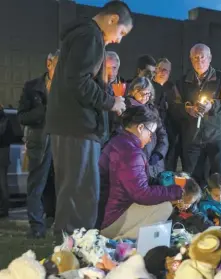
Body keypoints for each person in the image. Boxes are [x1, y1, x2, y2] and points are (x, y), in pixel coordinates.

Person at [44, 0, 132, 236]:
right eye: (122, 32)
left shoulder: (83, 35)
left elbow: (77, 79)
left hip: (71, 124)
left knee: (74, 190)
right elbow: (79, 81)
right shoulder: (90, 37)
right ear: (113, 19)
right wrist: (110, 102)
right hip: (77, 126)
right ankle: (74, 248)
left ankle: (69, 245)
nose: (119, 39)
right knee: (81, 192)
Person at [98, 105, 183, 240]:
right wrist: (176, 192)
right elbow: (141, 194)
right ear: (140, 127)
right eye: (150, 133)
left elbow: (137, 183)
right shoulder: (130, 153)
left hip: (105, 210)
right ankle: (121, 240)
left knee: (162, 201)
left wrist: (164, 184)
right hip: (110, 218)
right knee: (165, 207)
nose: (150, 139)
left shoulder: (119, 142)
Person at [169, 43, 221, 186]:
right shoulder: (183, 82)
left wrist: (212, 106)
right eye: (195, 58)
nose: (199, 61)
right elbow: (174, 105)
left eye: (202, 57)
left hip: (218, 137)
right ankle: (194, 206)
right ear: (190, 59)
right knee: (193, 180)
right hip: (193, 138)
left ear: (210, 58)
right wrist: (187, 109)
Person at [17, 50, 59, 238]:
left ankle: (53, 219)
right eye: (59, 64)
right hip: (39, 142)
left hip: (61, 142)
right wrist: (44, 110)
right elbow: (22, 116)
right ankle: (37, 227)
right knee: (36, 185)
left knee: (57, 184)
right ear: (49, 63)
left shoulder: (68, 87)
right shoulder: (32, 86)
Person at [126, 77, 168, 178]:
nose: (145, 97)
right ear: (133, 92)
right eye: (142, 93)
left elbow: (162, 134)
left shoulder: (153, 110)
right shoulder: (127, 111)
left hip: (155, 164)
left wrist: (159, 153)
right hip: (136, 163)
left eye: (148, 94)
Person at [0, 104, 14, 219]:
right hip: (4, 151)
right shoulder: (6, 119)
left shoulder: (4, 119)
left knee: (2, 182)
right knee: (3, 182)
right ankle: (4, 209)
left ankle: (4, 209)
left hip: (2, 151)